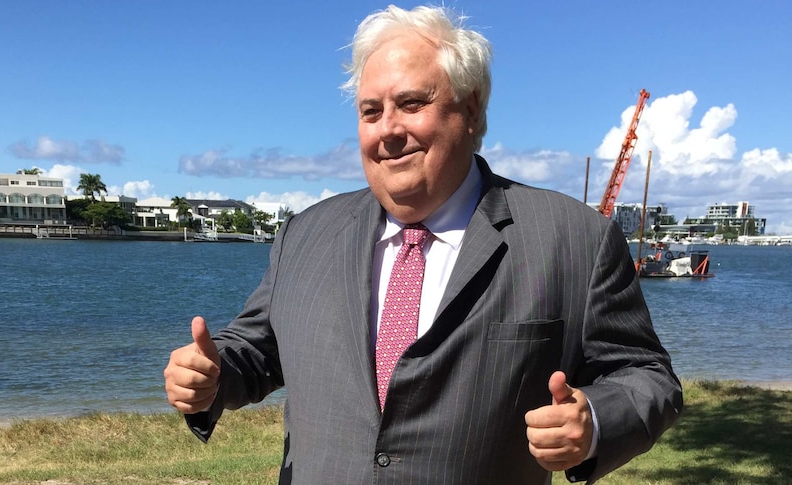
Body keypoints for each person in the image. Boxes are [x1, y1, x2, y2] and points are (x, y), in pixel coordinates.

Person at [164, 5, 682, 484]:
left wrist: (592, 420)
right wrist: (210, 376)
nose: (387, 130)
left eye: (411, 104)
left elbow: (648, 377)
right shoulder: (305, 234)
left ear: (472, 110)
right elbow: (256, 350)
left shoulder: (574, 239)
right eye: (370, 111)